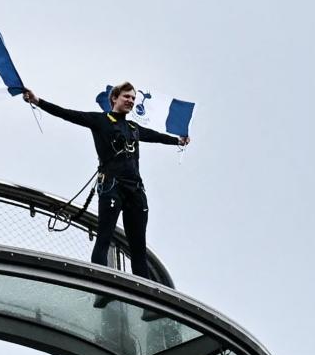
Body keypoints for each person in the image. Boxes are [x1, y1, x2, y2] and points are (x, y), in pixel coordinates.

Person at [22, 82, 190, 281]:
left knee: (138, 246)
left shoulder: (133, 128)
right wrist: (37, 101)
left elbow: (156, 136)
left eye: (133, 99)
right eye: (127, 97)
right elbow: (68, 114)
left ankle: (145, 296)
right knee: (104, 236)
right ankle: (100, 284)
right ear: (114, 98)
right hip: (112, 186)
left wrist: (177, 141)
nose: (131, 101)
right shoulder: (100, 120)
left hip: (135, 190)